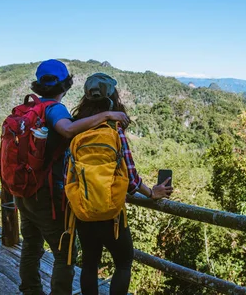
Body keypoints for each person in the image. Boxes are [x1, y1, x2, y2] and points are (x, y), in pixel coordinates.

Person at [15, 60, 130, 295]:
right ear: (66, 84)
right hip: (47, 193)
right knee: (64, 253)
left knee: (31, 246)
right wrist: (108, 113)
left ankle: (30, 290)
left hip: (24, 191)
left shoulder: (29, 107)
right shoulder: (56, 110)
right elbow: (67, 130)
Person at [71, 73, 173, 295]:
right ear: (113, 97)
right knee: (124, 262)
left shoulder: (76, 127)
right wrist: (151, 192)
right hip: (111, 214)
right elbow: (130, 177)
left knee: (89, 264)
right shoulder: (114, 128)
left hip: (83, 210)